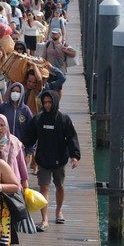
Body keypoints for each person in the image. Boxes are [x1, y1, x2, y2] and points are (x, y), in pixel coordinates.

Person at [22, 89, 80, 232]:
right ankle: (44, 219)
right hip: (43, 159)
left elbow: (72, 138)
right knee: (44, 187)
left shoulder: (64, 119)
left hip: (60, 159)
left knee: (59, 186)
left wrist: (75, 156)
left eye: (50, 102)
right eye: (45, 102)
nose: (47, 105)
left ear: (55, 102)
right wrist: (22, 147)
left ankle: (59, 211)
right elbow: (29, 137)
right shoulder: (38, 119)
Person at [0, 114, 29, 246]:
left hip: (12, 182)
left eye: (2, 125)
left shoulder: (14, 141)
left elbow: (21, 163)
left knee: (14, 214)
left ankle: (13, 244)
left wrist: (25, 180)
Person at [0, 82, 35, 173]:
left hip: (20, 147)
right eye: (13, 91)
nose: (15, 93)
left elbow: (32, 132)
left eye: (18, 91)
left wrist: (30, 151)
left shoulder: (25, 110)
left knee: (20, 174)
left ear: (22, 93)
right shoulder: (3, 108)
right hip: (4, 145)